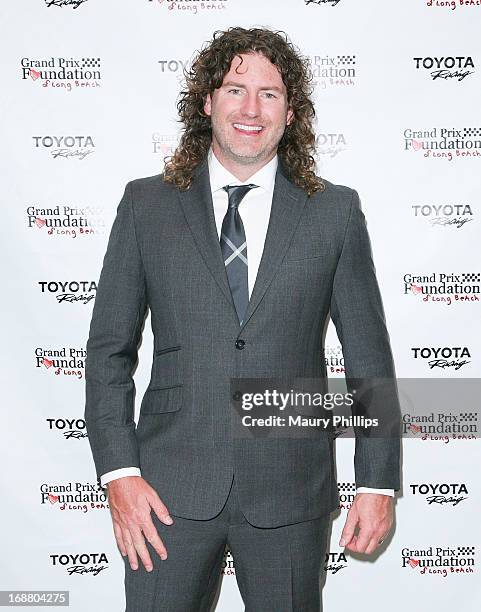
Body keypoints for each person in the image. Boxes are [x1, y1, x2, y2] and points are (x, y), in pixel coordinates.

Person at [84, 26, 401, 612]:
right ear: (207, 102)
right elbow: (108, 352)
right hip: (164, 492)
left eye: (270, 93)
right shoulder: (145, 205)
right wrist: (119, 473)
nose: (251, 108)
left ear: (290, 112)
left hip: (291, 490)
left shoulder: (334, 211)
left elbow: (369, 360)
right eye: (235, 89)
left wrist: (376, 481)